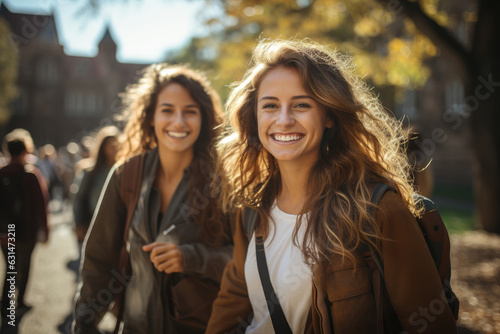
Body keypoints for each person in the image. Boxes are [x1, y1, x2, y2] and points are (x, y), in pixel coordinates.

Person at [206, 39, 457, 333]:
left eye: (301, 104)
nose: (284, 120)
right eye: (270, 105)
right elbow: (234, 298)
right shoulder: (251, 208)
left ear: (328, 115)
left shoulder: (377, 210)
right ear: (254, 116)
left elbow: (431, 324)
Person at [73, 64, 233, 334]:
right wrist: (84, 323)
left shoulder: (223, 180)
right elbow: (99, 261)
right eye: (167, 110)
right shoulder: (127, 175)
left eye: (190, 112)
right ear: (150, 117)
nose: (178, 122)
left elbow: (247, 260)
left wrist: (192, 258)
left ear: (204, 119)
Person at [0, 129, 49, 318]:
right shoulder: (31, 175)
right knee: (25, 267)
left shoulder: (1, 173)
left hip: (5, 231)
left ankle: (6, 303)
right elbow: (41, 205)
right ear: (25, 151)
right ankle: (19, 302)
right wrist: (44, 229)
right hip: (26, 231)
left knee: (10, 267)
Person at [72, 126, 120, 244]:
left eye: (116, 145)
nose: (114, 149)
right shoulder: (90, 171)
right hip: (93, 223)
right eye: (111, 145)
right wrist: (78, 223)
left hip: (117, 225)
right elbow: (79, 198)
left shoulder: (123, 170)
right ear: (103, 147)